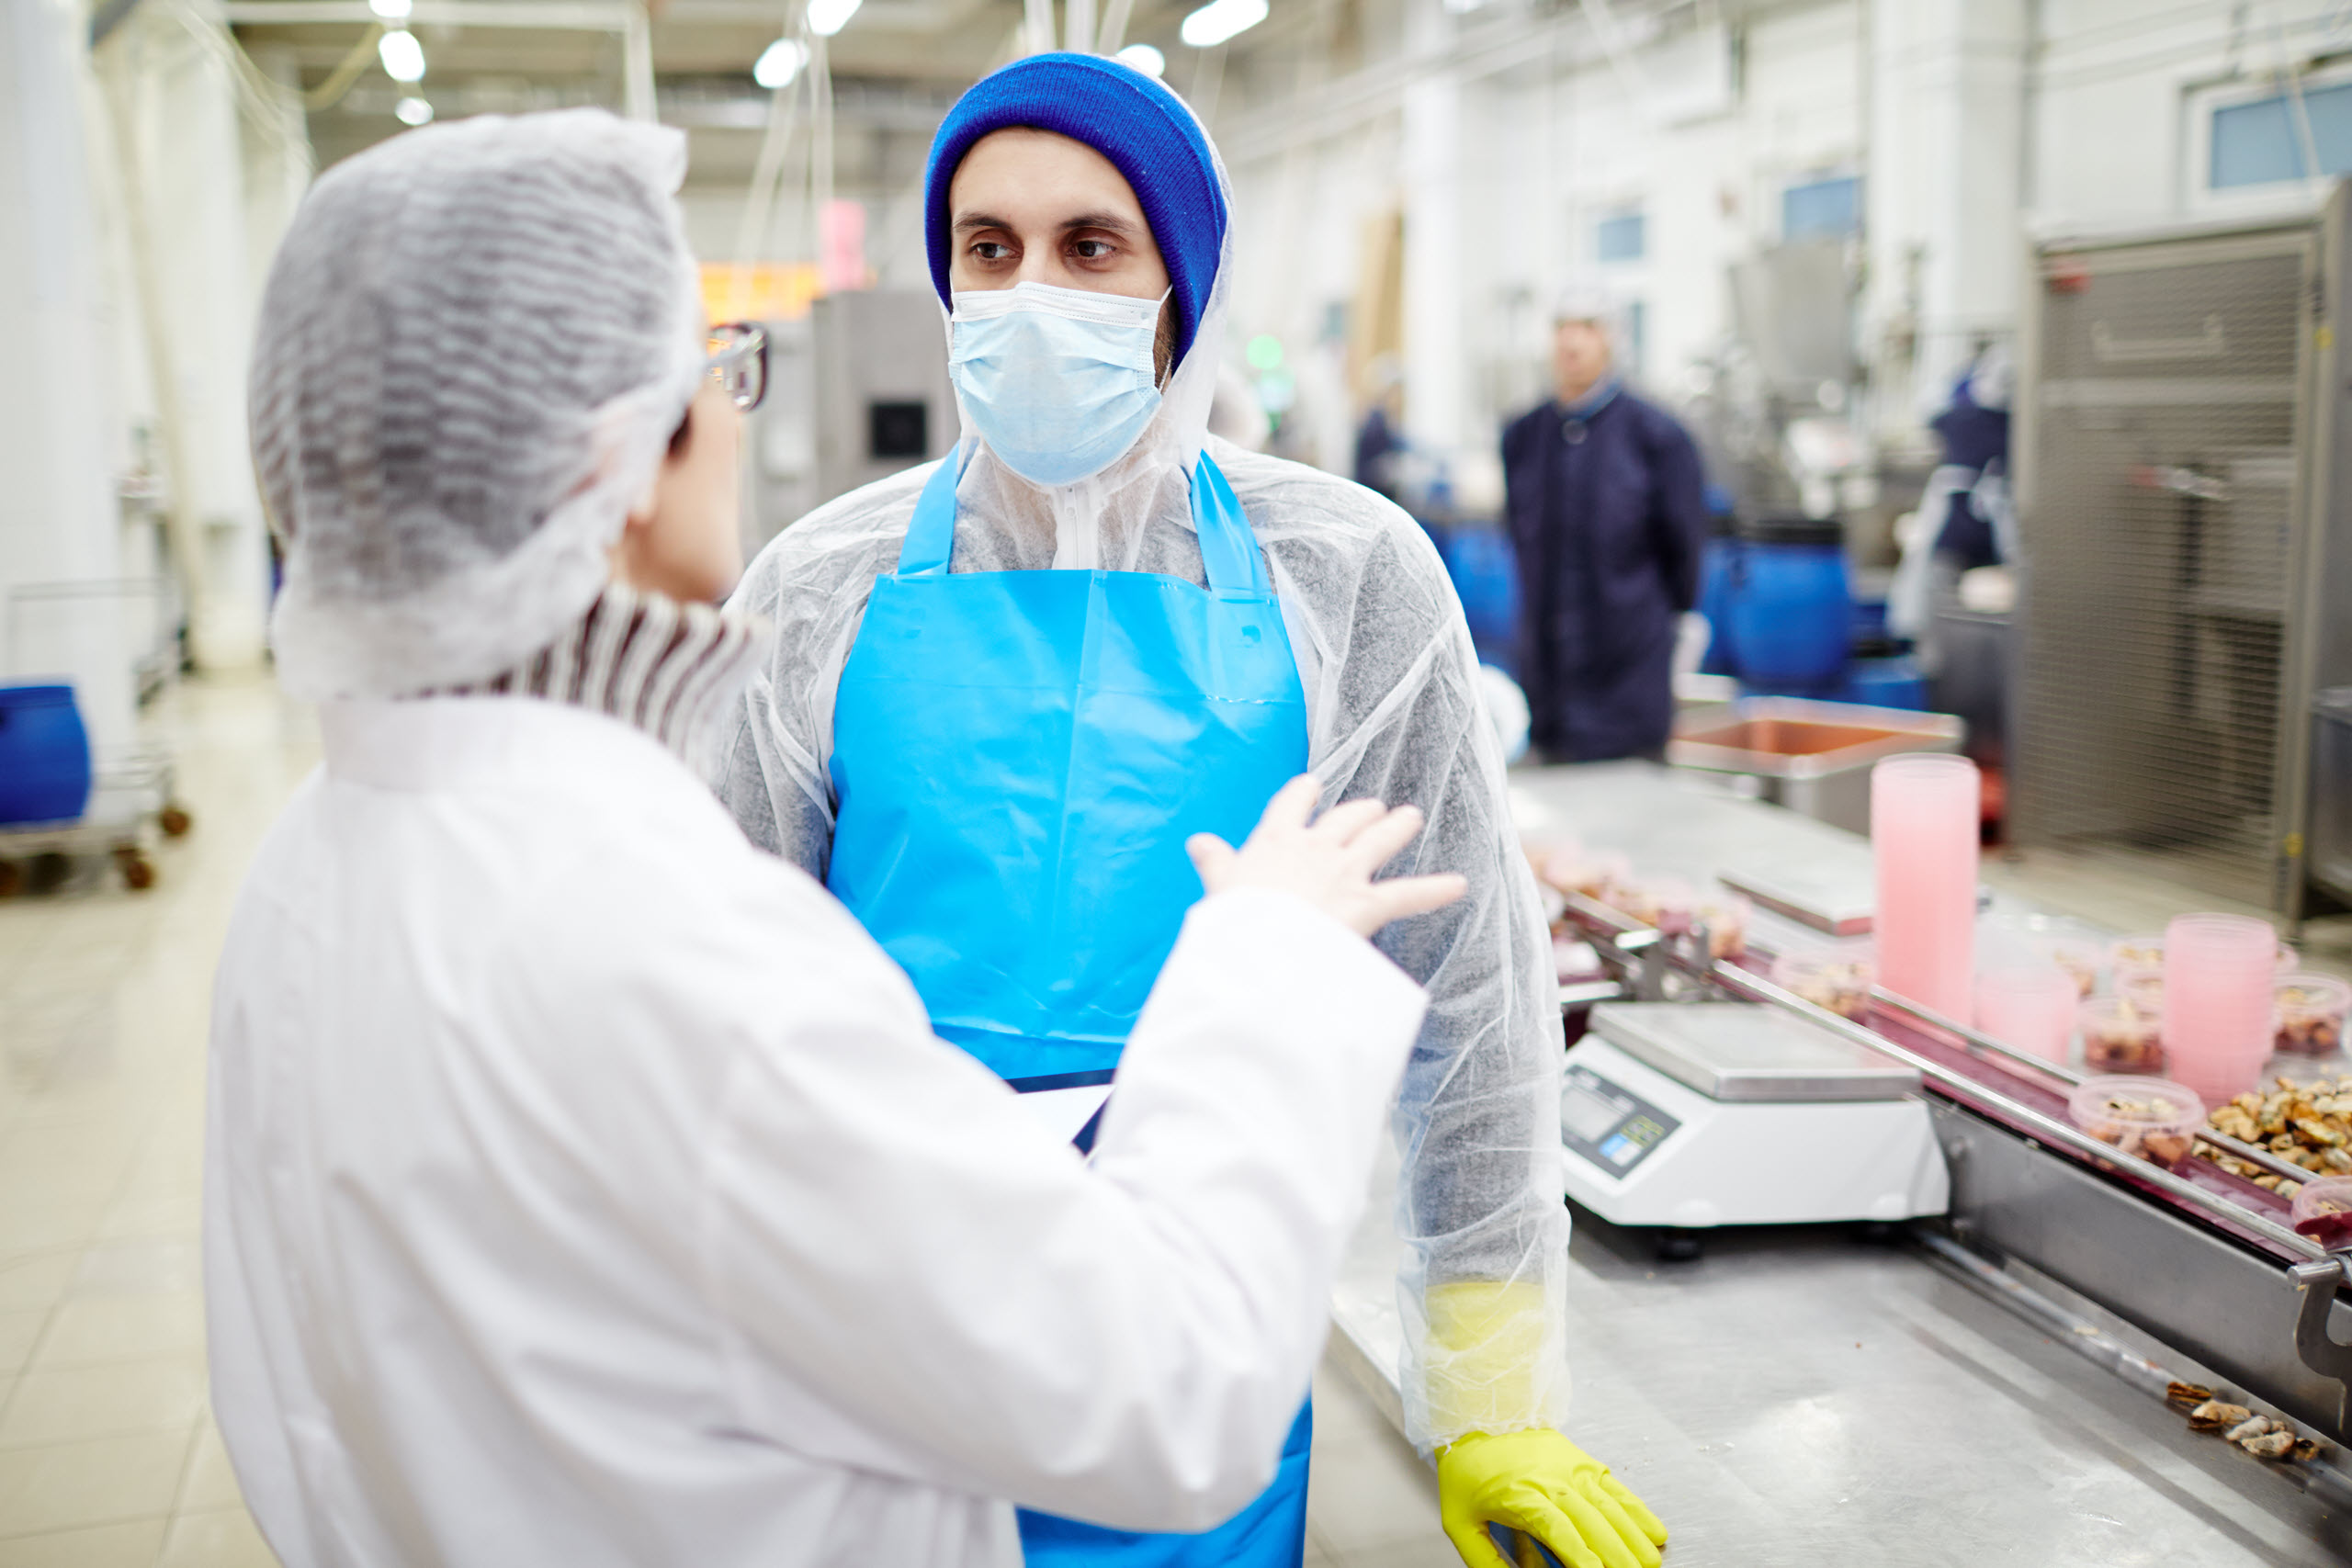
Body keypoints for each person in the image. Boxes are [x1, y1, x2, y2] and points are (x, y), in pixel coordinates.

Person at [207, 108, 1476, 1568]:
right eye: (714, 372)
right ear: (613, 458)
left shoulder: (312, 867)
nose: (737, 415)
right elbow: (1166, 1390)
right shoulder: (671, 945)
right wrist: (1269, 964)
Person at [716, 54, 1668, 1568]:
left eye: (1091, 248)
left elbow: (1472, 1004)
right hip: (876, 1351)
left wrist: (1491, 1392)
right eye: (990, 248)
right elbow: (717, 1011)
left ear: (1185, 283)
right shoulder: (816, 589)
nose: (1032, 292)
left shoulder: (1345, 572)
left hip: (1199, 1320)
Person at [1501, 288, 1709, 762]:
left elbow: (1685, 559)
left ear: (1612, 339)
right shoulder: (1523, 437)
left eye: (1588, 327)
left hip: (1627, 693)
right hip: (1548, 697)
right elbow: (1518, 538)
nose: (1572, 342)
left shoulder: (1658, 438)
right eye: (1562, 328)